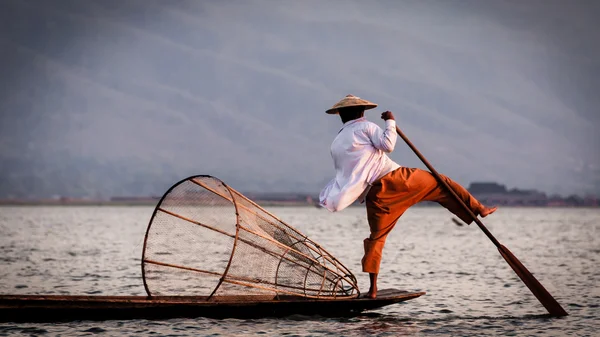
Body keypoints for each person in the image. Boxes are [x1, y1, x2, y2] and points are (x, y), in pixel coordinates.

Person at [319, 94, 497, 299]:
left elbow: (347, 173)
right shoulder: (366, 126)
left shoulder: (337, 141)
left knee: (376, 238)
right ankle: (478, 209)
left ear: (341, 115)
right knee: (442, 183)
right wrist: (390, 121)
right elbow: (388, 145)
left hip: (376, 194)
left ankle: (373, 289)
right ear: (361, 113)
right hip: (397, 180)